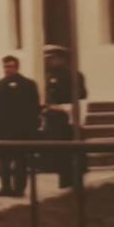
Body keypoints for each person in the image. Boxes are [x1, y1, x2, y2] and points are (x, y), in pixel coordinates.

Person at [0, 55, 40, 197]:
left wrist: (31, 129)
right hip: (3, 131)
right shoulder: (0, 84)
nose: (7, 69)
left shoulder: (28, 84)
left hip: (21, 131)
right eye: (5, 67)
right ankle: (5, 187)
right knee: (4, 161)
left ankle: (19, 189)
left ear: (17, 67)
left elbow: (34, 107)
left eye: (10, 66)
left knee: (20, 161)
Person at [42, 45, 87, 188]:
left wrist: (66, 109)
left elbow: (81, 95)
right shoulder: (51, 75)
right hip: (55, 118)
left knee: (72, 150)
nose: (49, 61)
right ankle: (64, 180)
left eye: (53, 58)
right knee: (60, 152)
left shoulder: (74, 75)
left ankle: (75, 179)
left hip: (68, 117)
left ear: (61, 59)